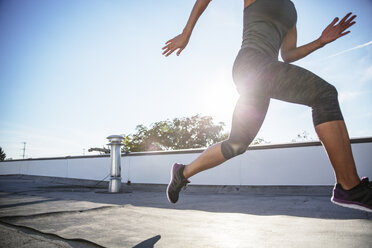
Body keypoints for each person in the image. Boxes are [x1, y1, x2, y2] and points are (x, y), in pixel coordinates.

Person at [162, 0, 372, 212]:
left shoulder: (291, 10)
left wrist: (320, 41)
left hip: (263, 72)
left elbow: (288, 54)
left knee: (237, 144)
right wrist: (186, 32)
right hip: (251, 64)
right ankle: (350, 186)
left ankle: (182, 173)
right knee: (324, 94)